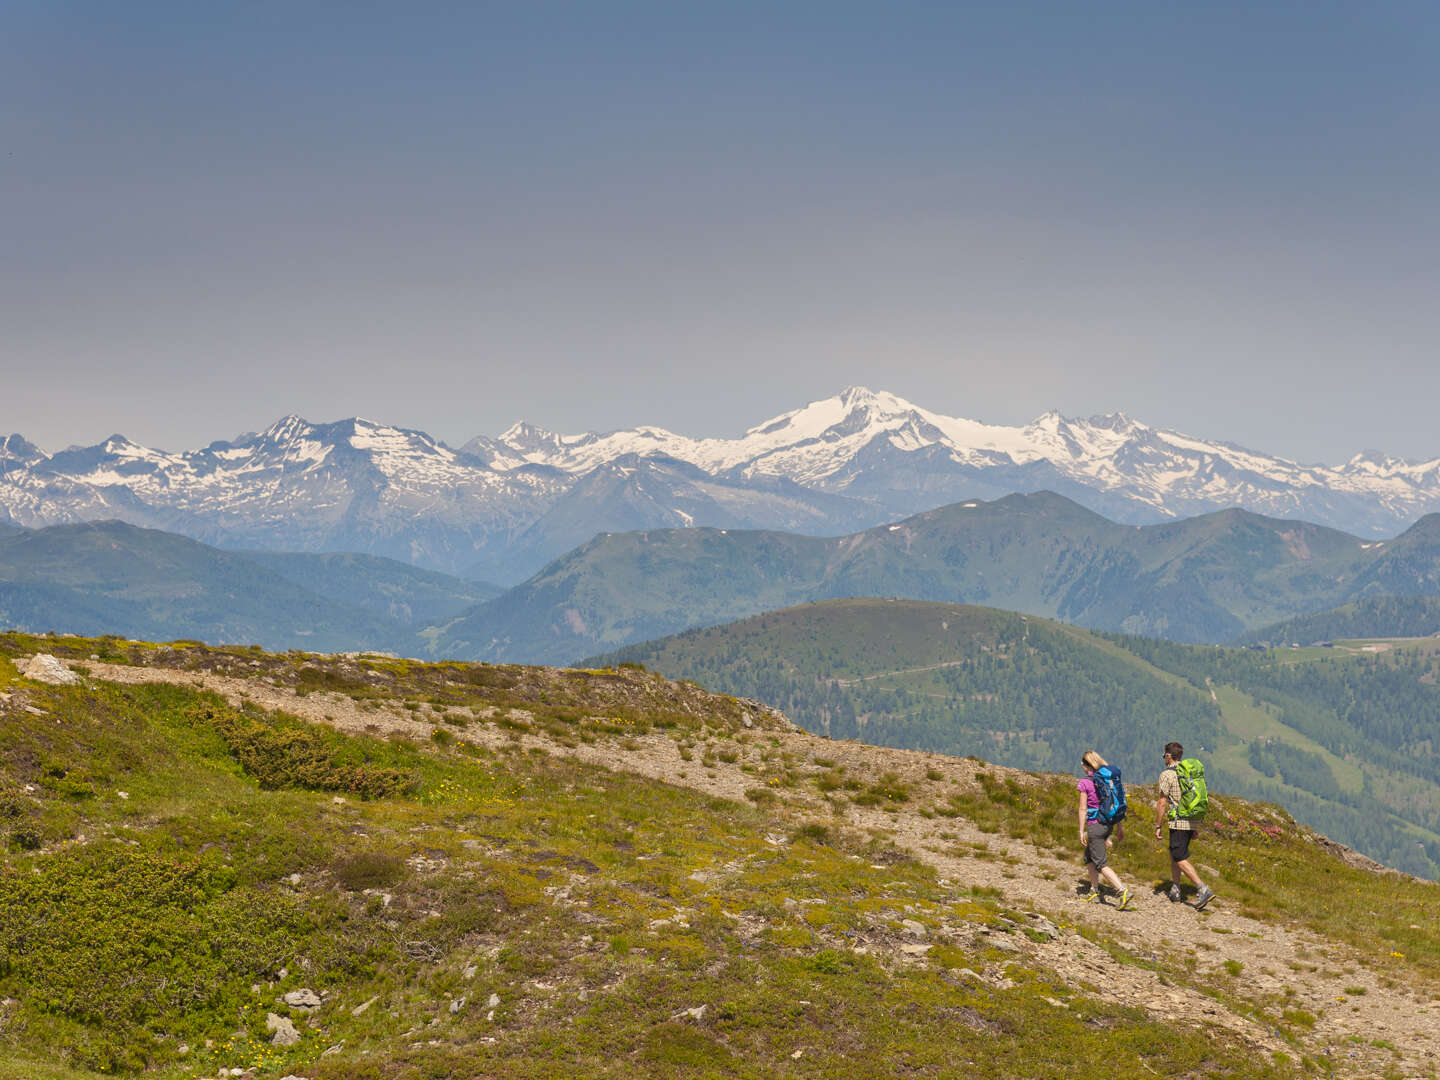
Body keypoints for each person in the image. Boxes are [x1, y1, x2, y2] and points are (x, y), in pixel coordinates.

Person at [1155, 741, 1215, 910]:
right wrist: (1195, 827)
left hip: (1178, 821)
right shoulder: (1188, 773)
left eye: (1164, 756)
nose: (1164, 759)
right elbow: (1190, 798)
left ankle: (1202, 889)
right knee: (1175, 853)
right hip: (1191, 820)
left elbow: (1161, 802)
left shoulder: (1167, 775)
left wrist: (1158, 825)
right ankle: (1176, 889)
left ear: (1168, 756)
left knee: (1179, 857)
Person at [1077, 750, 1134, 910]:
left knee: (1100, 863)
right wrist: (1119, 827)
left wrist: (1081, 831)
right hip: (1108, 823)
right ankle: (1094, 891)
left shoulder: (1086, 782)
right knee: (1089, 857)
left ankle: (1122, 891)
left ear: (1087, 765)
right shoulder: (1108, 780)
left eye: (1083, 764)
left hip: (1095, 825)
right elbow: (1117, 802)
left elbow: (1082, 809)